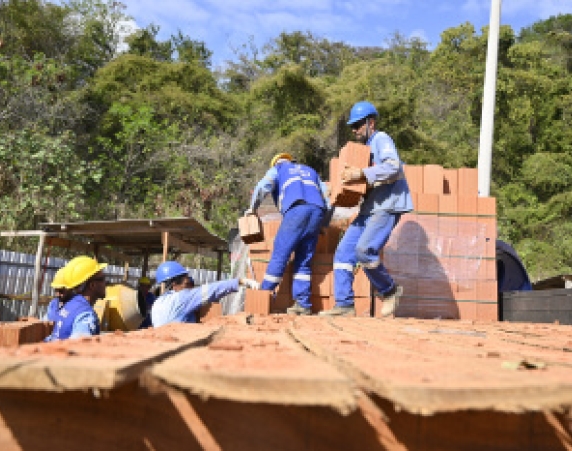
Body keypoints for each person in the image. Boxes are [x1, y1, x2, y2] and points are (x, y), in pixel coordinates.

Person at [319, 101, 414, 318]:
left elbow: (393, 167)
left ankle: (390, 290)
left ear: (371, 122)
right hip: (369, 209)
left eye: (359, 125)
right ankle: (344, 305)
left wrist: (361, 174)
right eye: (352, 126)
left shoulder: (381, 139)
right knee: (343, 253)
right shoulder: (362, 151)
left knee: (364, 250)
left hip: (387, 206)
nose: (354, 130)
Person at [245, 153, 330, 315]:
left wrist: (252, 209)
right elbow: (328, 197)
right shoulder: (311, 171)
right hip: (317, 212)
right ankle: (303, 304)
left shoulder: (279, 168)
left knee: (280, 255)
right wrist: (324, 224)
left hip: (297, 210)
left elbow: (264, 186)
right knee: (304, 260)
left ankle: (263, 296)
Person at [150, 261, 259, 326]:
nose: (189, 289)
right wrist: (241, 281)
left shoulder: (157, 303)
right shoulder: (182, 298)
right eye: (187, 283)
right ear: (174, 284)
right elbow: (212, 290)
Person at [45, 256, 107, 341]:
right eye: (103, 279)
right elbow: (80, 348)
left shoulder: (68, 306)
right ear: (93, 285)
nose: (106, 283)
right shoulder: (85, 315)